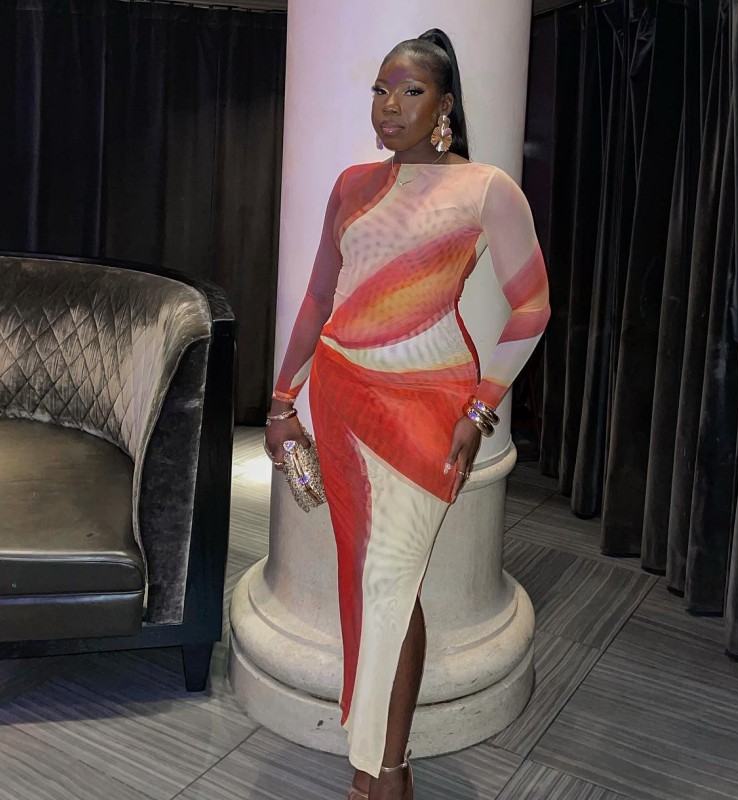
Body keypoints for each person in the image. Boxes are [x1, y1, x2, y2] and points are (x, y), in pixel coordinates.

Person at [265, 28, 550, 800]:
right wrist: (282, 402)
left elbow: (532, 306)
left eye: (411, 91)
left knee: (391, 580)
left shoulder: (486, 188)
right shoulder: (352, 185)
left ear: (444, 105)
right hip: (342, 398)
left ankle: (382, 768)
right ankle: (382, 763)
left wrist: (482, 407)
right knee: (370, 582)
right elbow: (318, 299)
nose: (389, 106)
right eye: (380, 91)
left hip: (428, 408)